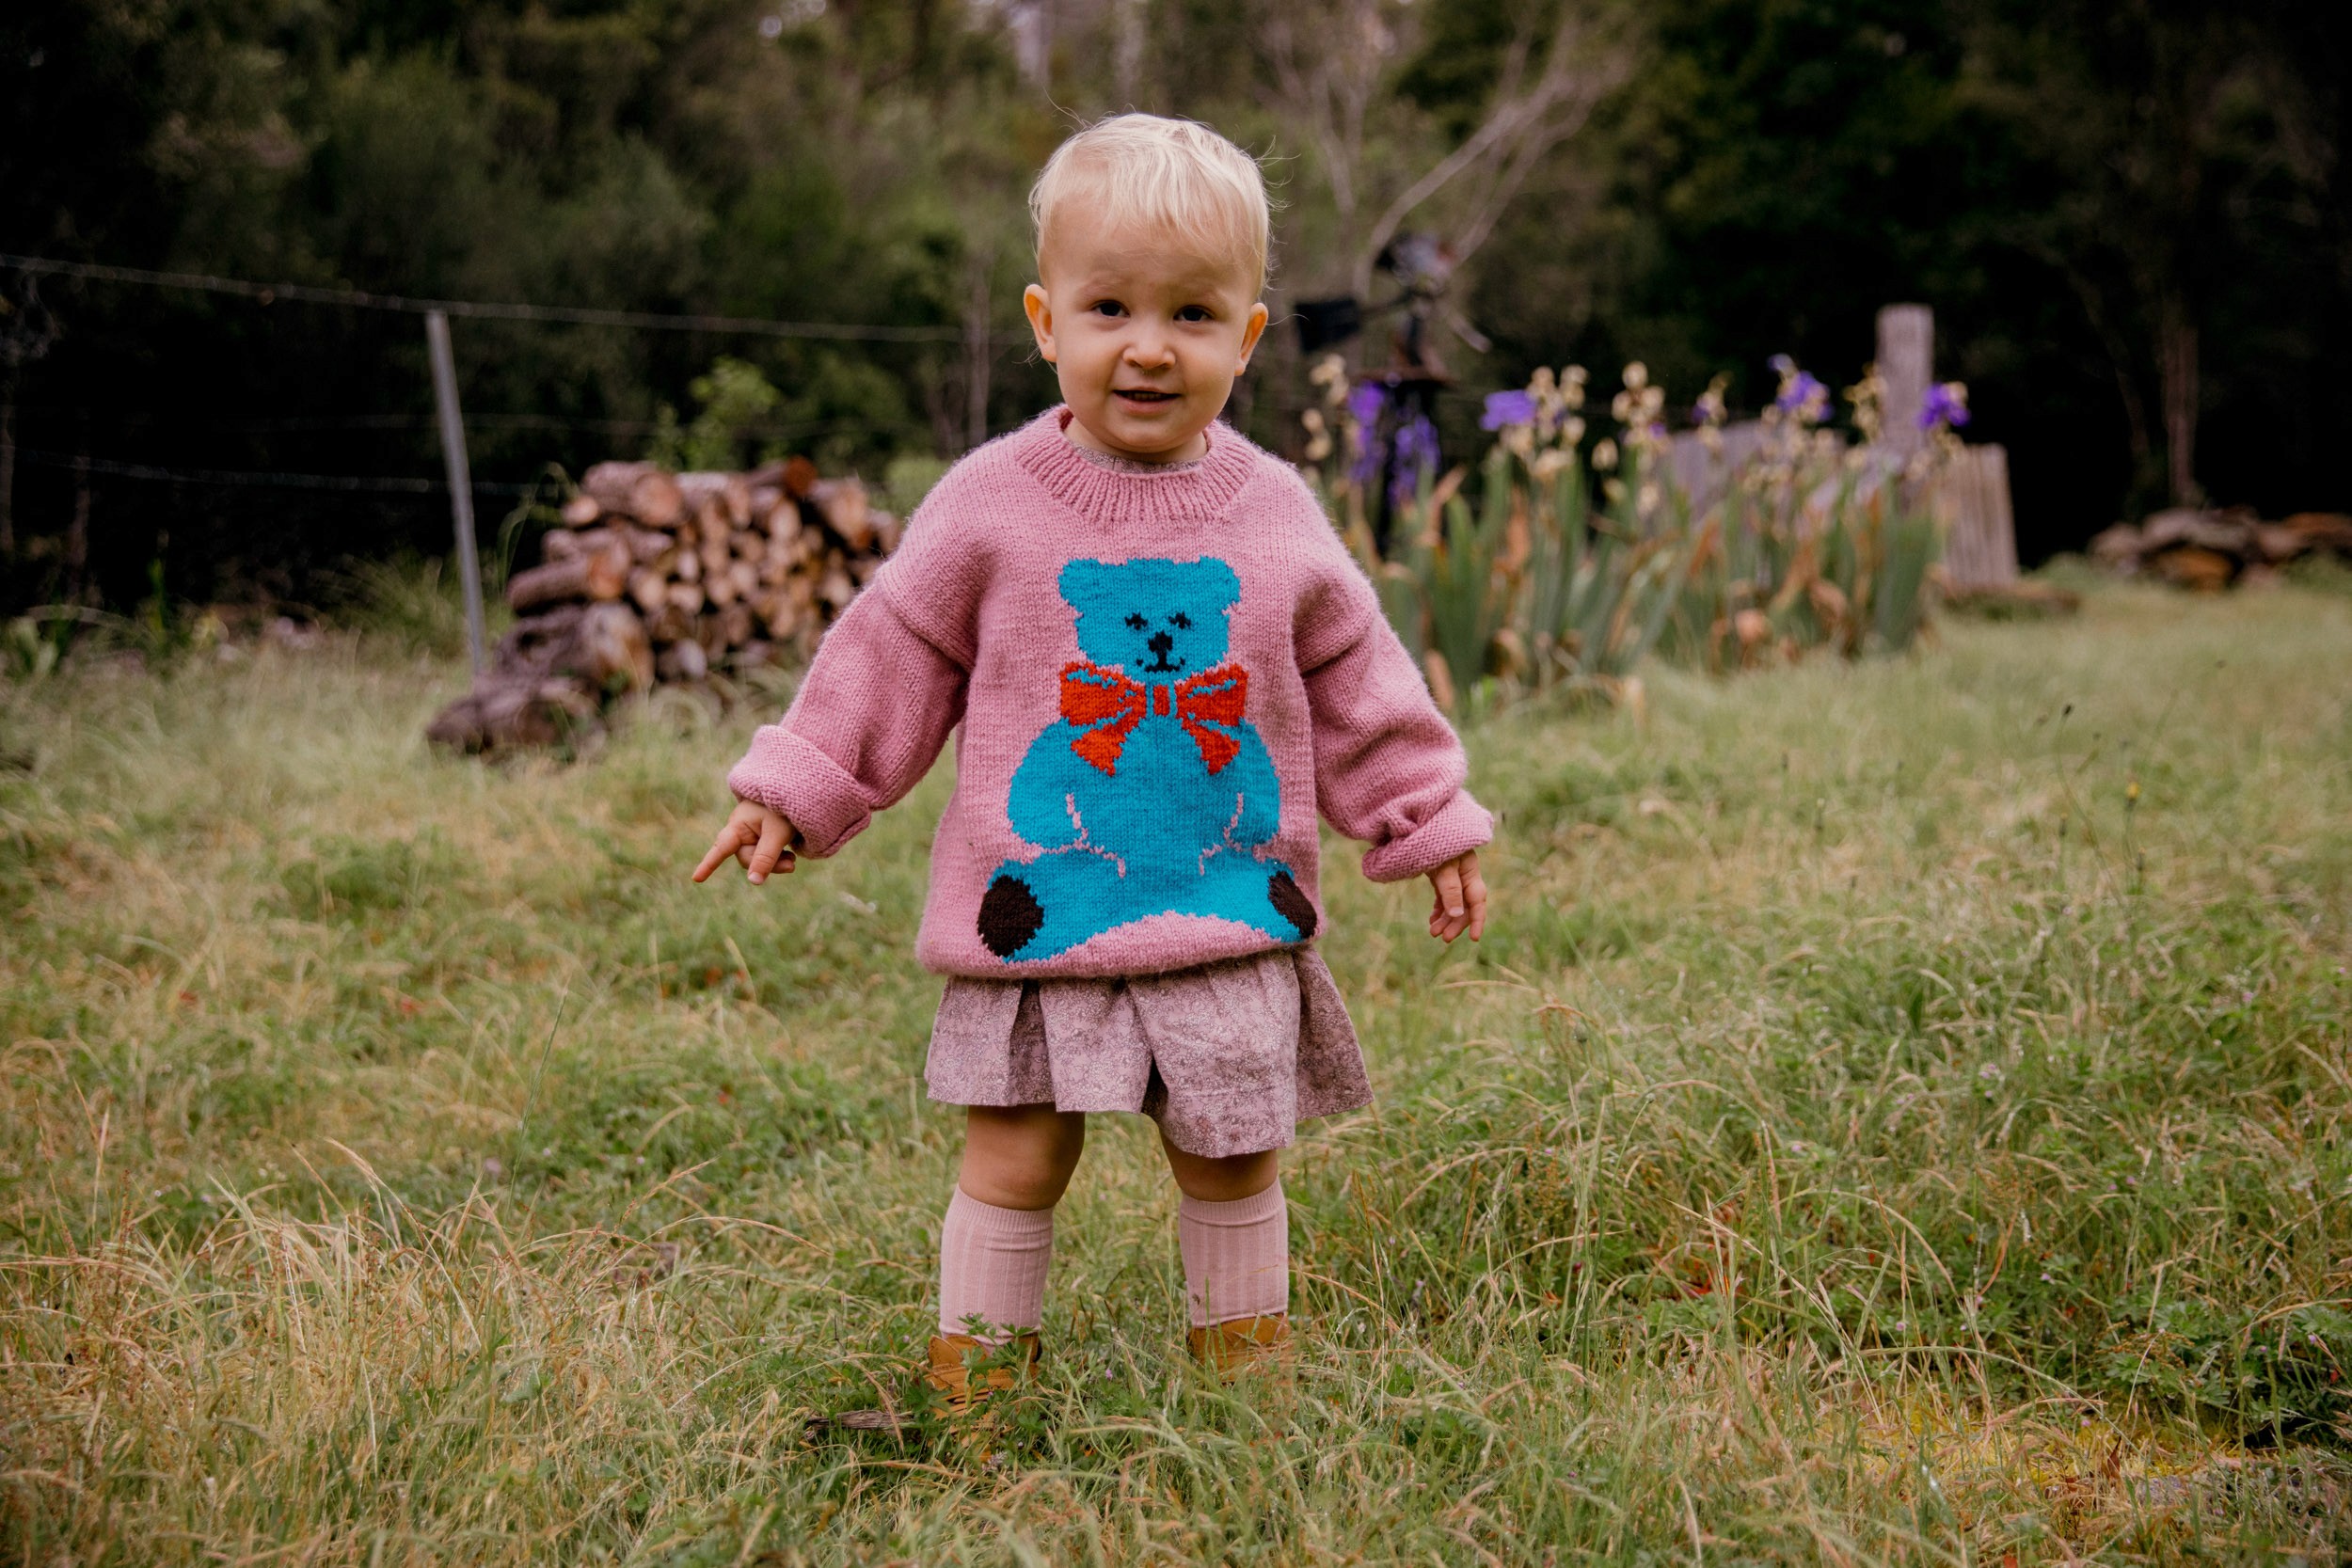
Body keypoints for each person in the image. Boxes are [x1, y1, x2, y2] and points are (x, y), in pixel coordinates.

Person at [691, 113, 1491, 1418]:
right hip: (1043, 911)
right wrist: (799, 782)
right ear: (1045, 319)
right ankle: (979, 1400)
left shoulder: (1276, 514)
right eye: (1110, 307)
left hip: (1226, 911)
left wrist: (1427, 814)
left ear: (1248, 337)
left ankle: (1244, 1402)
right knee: (1015, 1159)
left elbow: (1360, 678)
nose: (1149, 345)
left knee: (1232, 1159)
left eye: (1192, 314)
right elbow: (894, 649)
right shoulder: (991, 502)